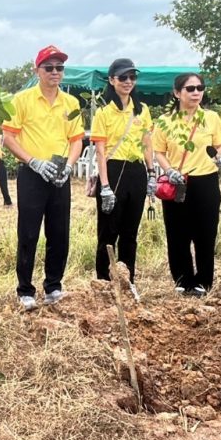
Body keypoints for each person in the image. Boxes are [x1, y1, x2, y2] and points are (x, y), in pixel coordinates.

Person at [2, 45, 85, 310]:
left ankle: (54, 285)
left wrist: (69, 166)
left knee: (59, 232)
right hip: (32, 173)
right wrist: (33, 161)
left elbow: (76, 140)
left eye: (59, 67)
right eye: (48, 68)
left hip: (60, 173)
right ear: (37, 70)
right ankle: (25, 289)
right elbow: (8, 138)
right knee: (28, 232)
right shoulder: (22, 100)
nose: (54, 72)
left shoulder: (70, 103)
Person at [153, 73, 221, 296]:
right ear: (177, 93)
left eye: (200, 88)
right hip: (178, 180)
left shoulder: (211, 117)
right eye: (190, 88)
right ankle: (182, 279)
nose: (196, 92)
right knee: (177, 232)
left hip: (206, 180)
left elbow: (219, 145)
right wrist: (169, 170)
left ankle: (203, 281)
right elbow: (159, 151)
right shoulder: (165, 121)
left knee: (206, 232)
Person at [91, 58, 155, 284]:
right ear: (112, 80)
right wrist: (105, 186)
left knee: (130, 232)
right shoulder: (104, 112)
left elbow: (147, 143)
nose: (128, 81)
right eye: (123, 77)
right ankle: (104, 281)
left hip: (136, 170)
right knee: (108, 232)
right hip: (113, 169)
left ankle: (128, 280)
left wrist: (151, 173)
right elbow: (100, 152)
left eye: (132, 77)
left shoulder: (142, 110)